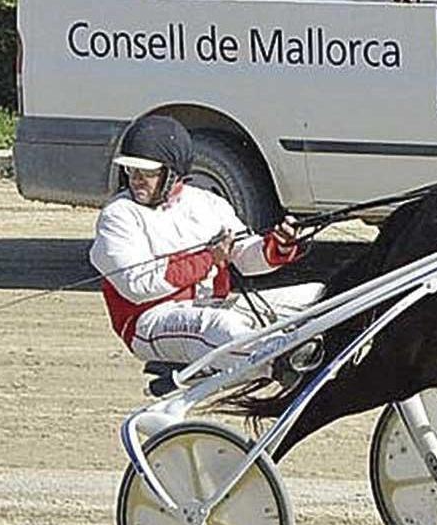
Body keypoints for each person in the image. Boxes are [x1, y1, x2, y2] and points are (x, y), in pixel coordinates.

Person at [89, 115, 323, 374]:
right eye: (131, 170)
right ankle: (280, 363)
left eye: (147, 173)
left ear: (172, 173)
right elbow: (137, 285)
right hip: (151, 321)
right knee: (218, 325)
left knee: (319, 295)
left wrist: (280, 245)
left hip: (213, 304)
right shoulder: (118, 215)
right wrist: (209, 259)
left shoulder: (208, 204)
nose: (136, 179)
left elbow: (244, 257)